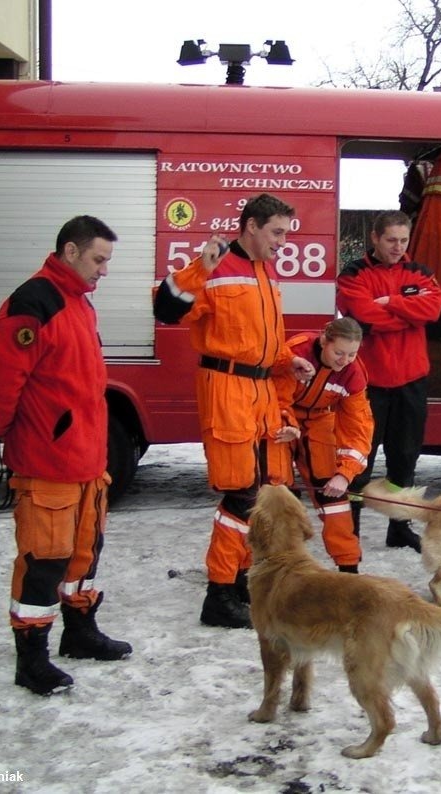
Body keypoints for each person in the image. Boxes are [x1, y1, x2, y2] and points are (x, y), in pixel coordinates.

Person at [0, 215, 131, 696]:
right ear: (70, 251)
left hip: (86, 463)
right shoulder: (33, 302)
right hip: (47, 465)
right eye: (99, 259)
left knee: (83, 557)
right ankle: (31, 660)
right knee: (44, 561)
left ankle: (79, 635)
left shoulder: (78, 303)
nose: (104, 270)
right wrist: (12, 437)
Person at [153, 193, 315, 629]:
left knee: (265, 492)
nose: (283, 242)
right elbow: (165, 309)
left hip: (261, 391)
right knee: (241, 494)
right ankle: (219, 594)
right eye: (277, 232)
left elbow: (263, 340)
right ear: (251, 227)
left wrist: (286, 360)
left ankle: (242, 580)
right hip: (226, 389)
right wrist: (200, 267)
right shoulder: (215, 268)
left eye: (285, 233)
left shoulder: (265, 271)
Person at [337, 210, 441, 553]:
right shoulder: (354, 273)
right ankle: (347, 531)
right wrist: (408, 313)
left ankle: (399, 527)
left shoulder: (420, 272)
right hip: (369, 382)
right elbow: (363, 315)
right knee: (358, 459)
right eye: (391, 240)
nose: (398, 247)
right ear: (375, 238)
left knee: (405, 457)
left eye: (403, 240)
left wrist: (392, 303)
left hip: (411, 381)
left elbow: (434, 310)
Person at [273, 317, 374, 572]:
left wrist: (345, 473)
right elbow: (274, 394)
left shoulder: (354, 374)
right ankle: (276, 565)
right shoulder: (297, 351)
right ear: (323, 341)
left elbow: (358, 428)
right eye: (339, 352)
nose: (345, 360)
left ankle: (349, 568)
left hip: (319, 419)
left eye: (352, 354)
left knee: (334, 497)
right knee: (276, 491)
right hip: (280, 420)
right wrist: (287, 423)